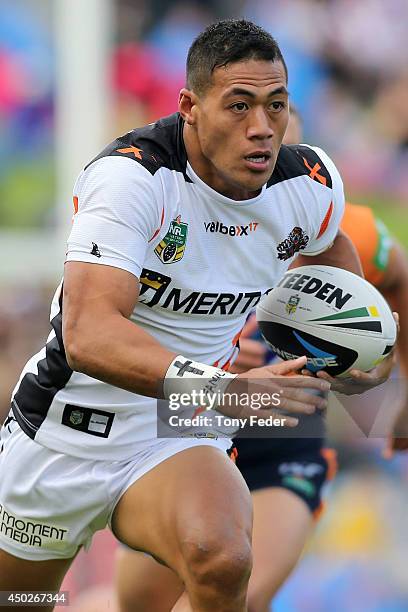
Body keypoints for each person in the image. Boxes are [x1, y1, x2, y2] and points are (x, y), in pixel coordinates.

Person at [0, 20, 389, 612]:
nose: (262, 129)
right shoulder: (132, 178)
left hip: (179, 422)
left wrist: (359, 363)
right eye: (239, 106)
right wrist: (228, 388)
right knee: (21, 600)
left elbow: (337, 264)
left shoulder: (308, 184)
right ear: (189, 106)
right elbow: (87, 335)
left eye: (276, 106)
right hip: (67, 428)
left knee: (223, 557)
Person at [113, 107, 404, 612]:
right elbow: (107, 326)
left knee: (241, 597)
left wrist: (388, 382)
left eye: (280, 144)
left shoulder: (346, 227)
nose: (262, 155)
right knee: (138, 603)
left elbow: (397, 284)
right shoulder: (169, 212)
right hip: (183, 426)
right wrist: (209, 364)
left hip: (281, 436)